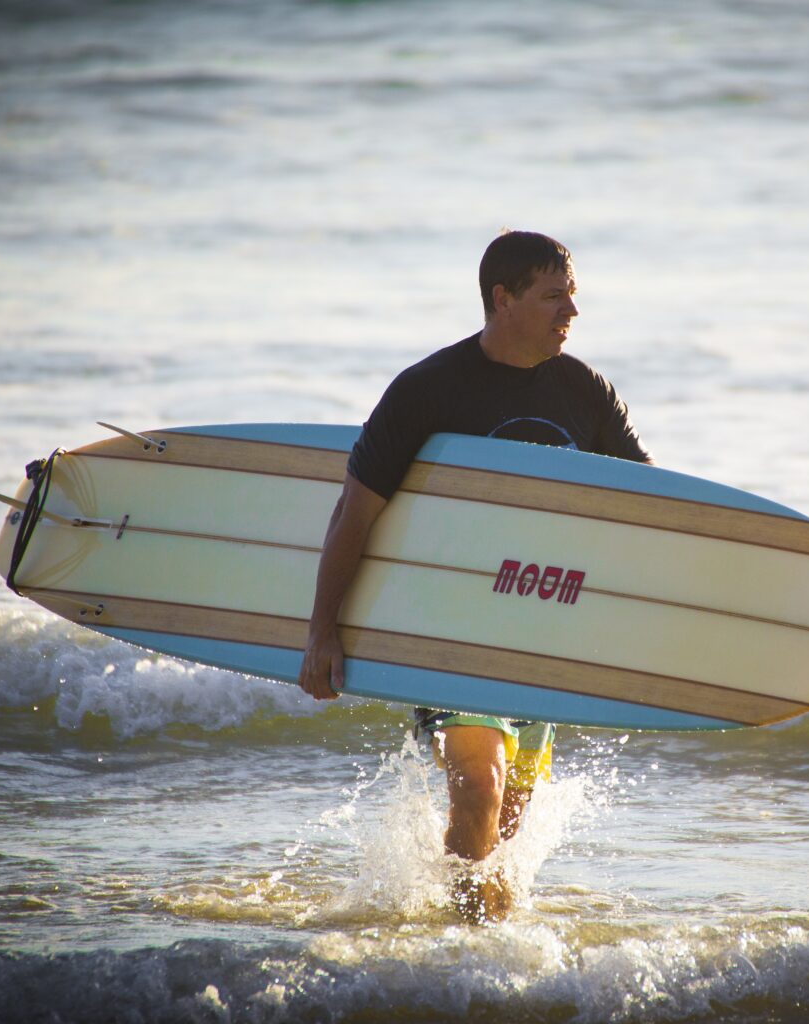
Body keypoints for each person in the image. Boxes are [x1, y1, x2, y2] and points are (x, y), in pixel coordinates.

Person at [296, 230, 650, 923]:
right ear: (503, 298)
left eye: (572, 296)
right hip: (449, 629)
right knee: (479, 794)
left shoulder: (586, 391)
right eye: (554, 297)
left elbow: (641, 507)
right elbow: (354, 514)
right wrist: (322, 633)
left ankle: (477, 946)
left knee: (509, 829)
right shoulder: (428, 391)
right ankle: (464, 951)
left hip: (543, 632)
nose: (570, 313)